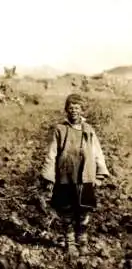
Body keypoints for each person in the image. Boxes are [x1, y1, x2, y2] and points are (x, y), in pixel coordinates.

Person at [40, 93, 110, 256]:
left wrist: (100, 173)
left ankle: (82, 241)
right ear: (66, 110)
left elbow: (96, 151)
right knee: (66, 211)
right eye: (70, 108)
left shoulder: (88, 130)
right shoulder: (60, 129)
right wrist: (49, 176)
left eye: (77, 108)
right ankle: (70, 243)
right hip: (66, 176)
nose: (74, 111)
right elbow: (52, 152)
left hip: (85, 176)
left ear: (82, 110)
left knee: (84, 211)